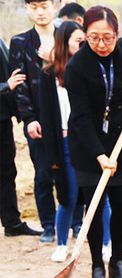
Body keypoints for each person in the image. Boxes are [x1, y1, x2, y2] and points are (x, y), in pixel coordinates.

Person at [65, 5, 122, 278]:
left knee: (120, 207)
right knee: (95, 208)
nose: (101, 44)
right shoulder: (77, 68)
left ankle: (117, 261)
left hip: (119, 140)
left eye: (107, 37)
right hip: (88, 146)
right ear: (85, 34)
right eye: (94, 37)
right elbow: (82, 118)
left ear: (117, 35)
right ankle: (97, 265)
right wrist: (99, 156)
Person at [10, 0, 58, 243]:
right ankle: (48, 225)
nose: (40, 12)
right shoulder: (19, 42)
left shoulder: (67, 36)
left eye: (44, 6)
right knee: (42, 174)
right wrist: (28, 118)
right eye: (33, 6)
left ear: (56, 5)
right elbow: (20, 85)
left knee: (72, 174)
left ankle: (75, 222)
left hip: (68, 120)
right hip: (37, 120)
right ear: (27, 8)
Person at [39, 21, 85, 262]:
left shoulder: (87, 69)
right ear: (64, 42)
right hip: (64, 142)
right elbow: (47, 116)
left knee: (99, 197)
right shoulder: (48, 74)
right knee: (67, 195)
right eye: (78, 41)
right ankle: (61, 243)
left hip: (85, 142)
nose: (84, 45)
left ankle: (106, 243)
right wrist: (52, 156)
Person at [1, 37, 41, 237]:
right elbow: (8, 81)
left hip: (2, 118)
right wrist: (5, 86)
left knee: (7, 171)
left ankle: (12, 223)